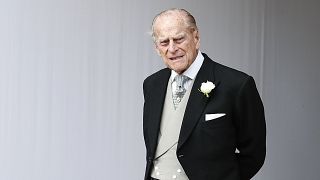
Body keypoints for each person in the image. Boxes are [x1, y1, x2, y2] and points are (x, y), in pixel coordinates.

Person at [142, 8, 266, 180]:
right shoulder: (151, 84)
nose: (172, 48)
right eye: (164, 42)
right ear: (157, 48)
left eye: (179, 39)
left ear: (196, 37)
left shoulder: (237, 84)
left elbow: (254, 153)